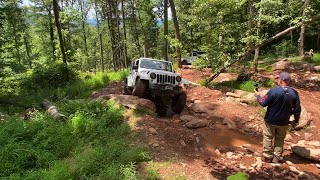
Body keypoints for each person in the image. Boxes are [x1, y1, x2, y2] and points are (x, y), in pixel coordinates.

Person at [254, 72, 301, 163]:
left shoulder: (274, 91)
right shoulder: (294, 93)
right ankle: (277, 157)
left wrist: (258, 96)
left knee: (268, 137)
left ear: (280, 80)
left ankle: (267, 156)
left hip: (270, 120)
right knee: (280, 138)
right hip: (284, 121)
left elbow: (263, 103)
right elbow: (297, 109)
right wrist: (296, 120)